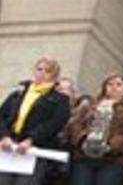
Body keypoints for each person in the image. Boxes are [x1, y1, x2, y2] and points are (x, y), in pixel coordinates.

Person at [0, 57, 71, 185]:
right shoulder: (18, 94)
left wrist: (31, 139)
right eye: (39, 69)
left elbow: (55, 124)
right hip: (10, 146)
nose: (42, 73)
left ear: (54, 76)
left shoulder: (59, 100)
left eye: (47, 71)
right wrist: (4, 136)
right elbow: (2, 116)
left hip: (35, 149)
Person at [67, 73, 123, 185]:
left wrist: (112, 145)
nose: (114, 87)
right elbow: (76, 123)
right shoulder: (91, 104)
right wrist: (81, 139)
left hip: (112, 160)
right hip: (84, 157)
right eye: (110, 84)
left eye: (118, 84)